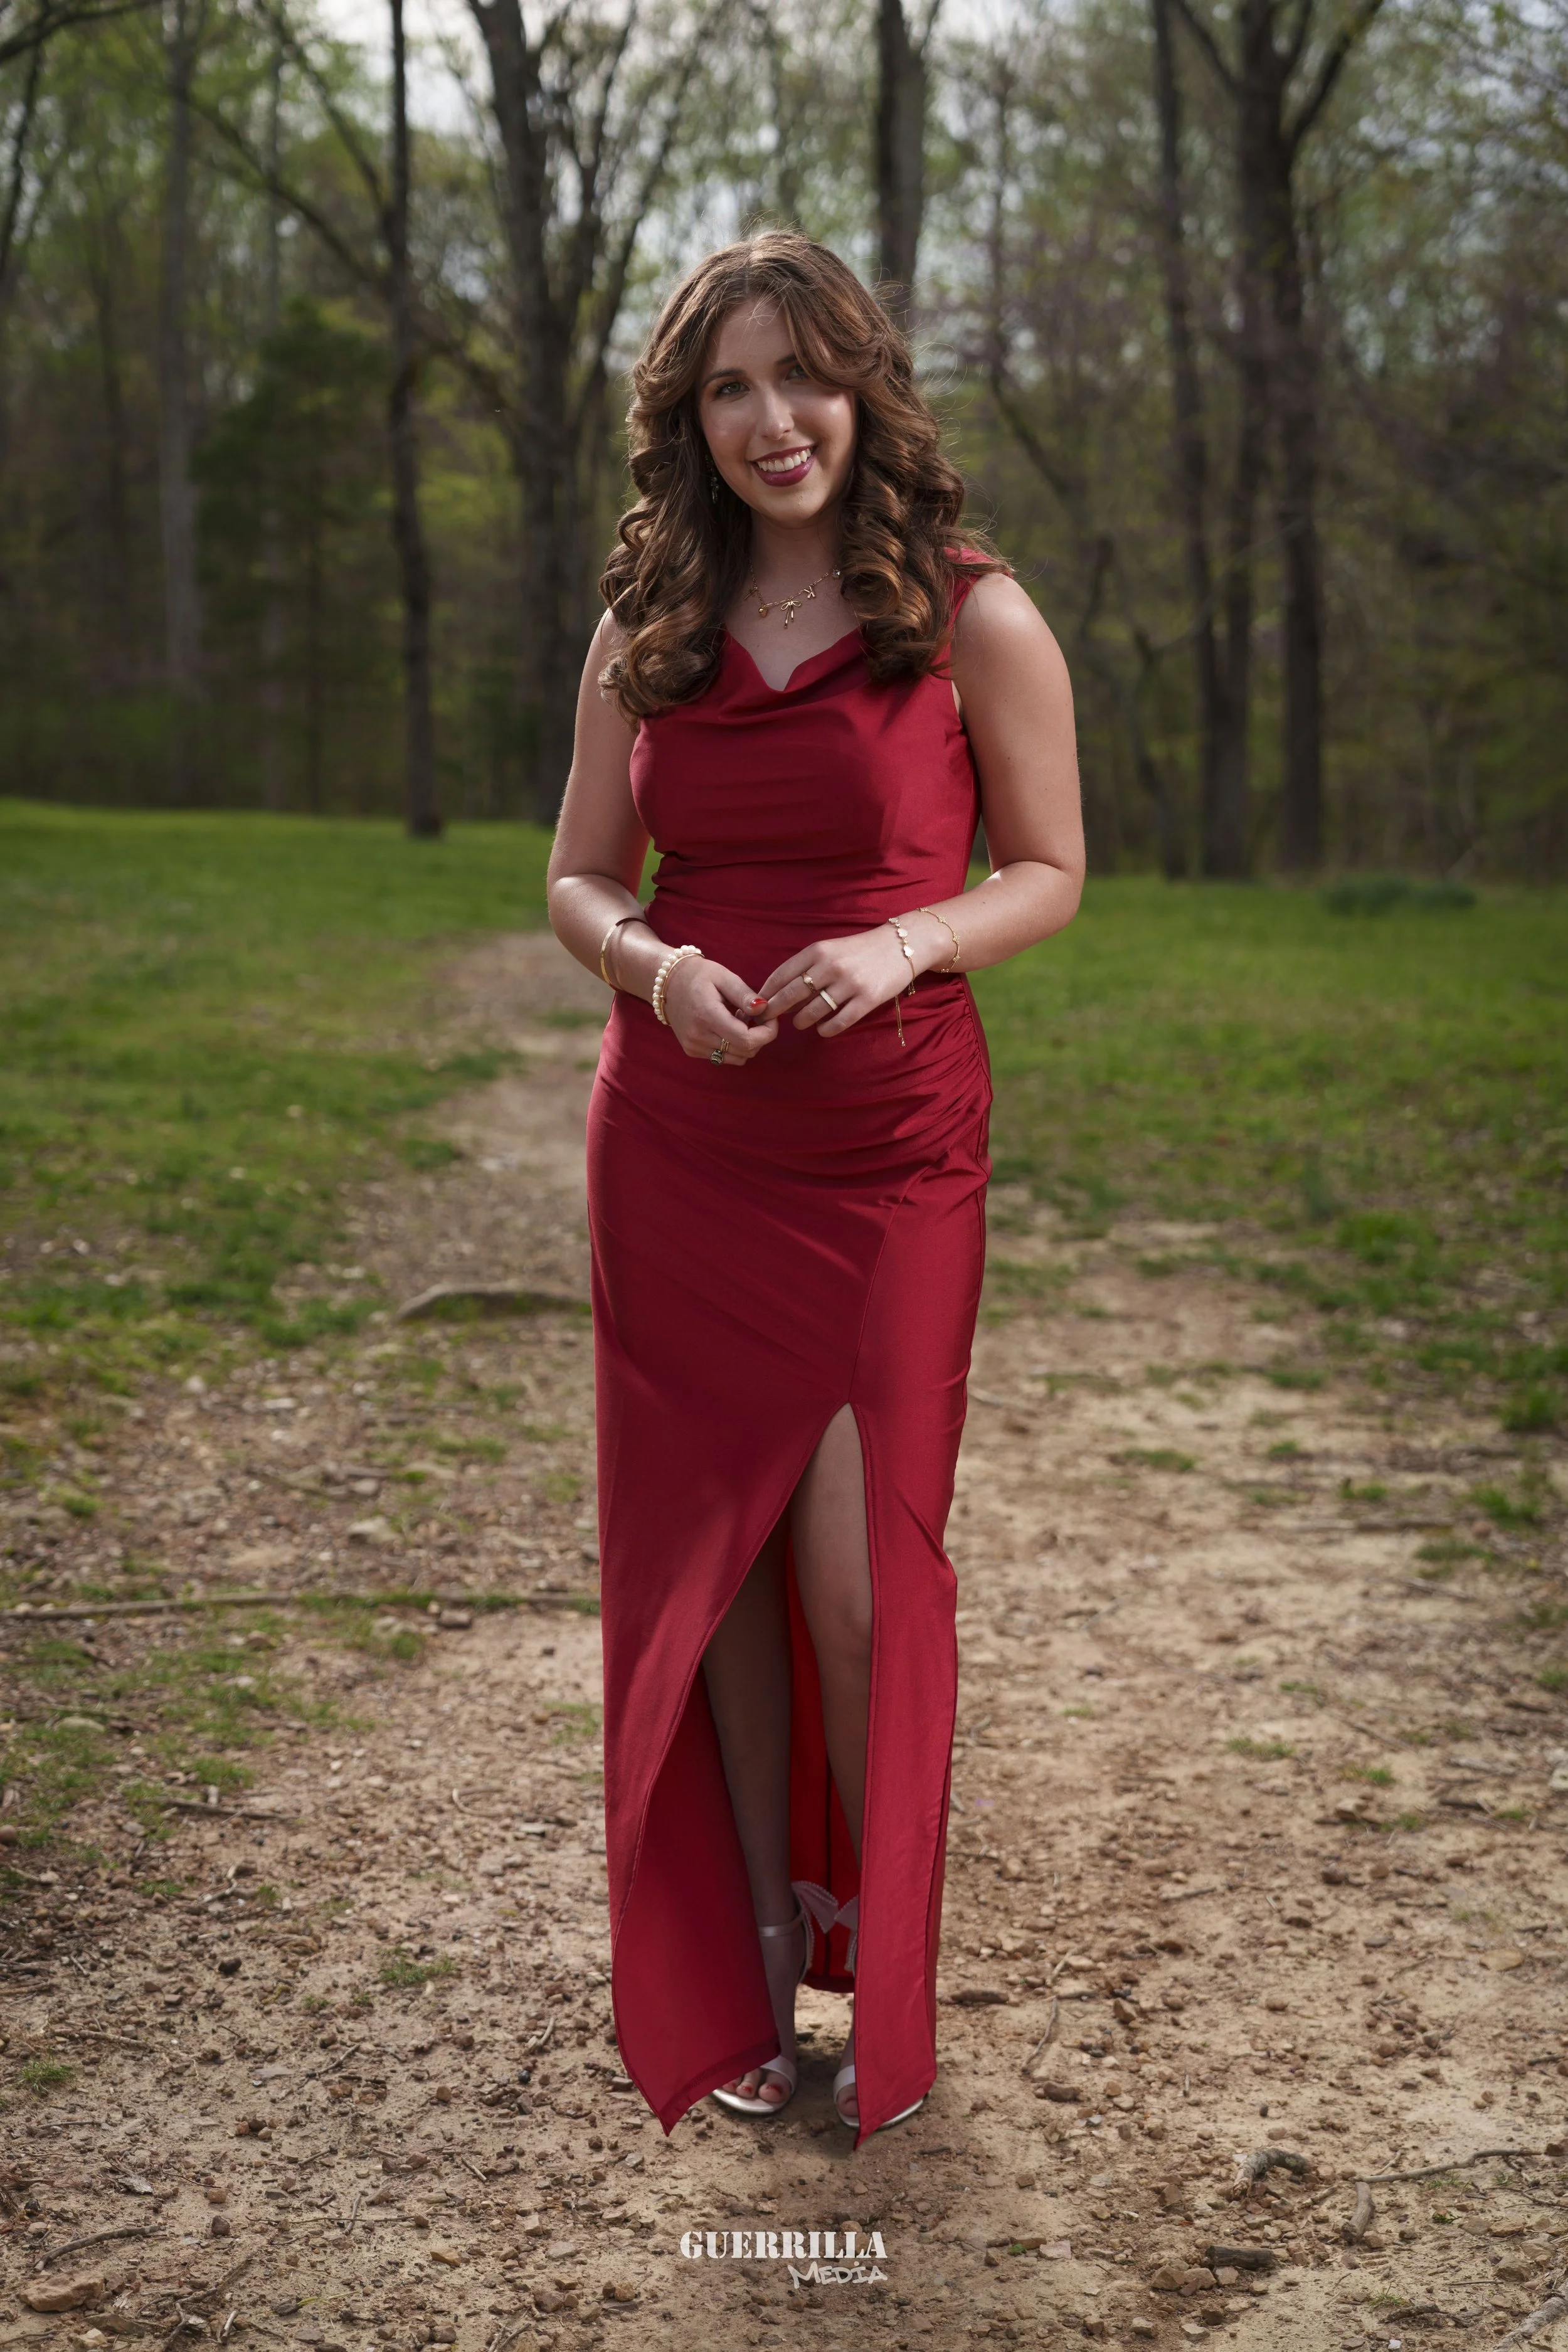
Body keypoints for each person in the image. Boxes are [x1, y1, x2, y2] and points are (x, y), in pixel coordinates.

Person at [547, 231, 1083, 2147]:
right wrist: (657, 970)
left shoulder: (964, 613)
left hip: (886, 1151)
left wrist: (908, 943)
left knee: (852, 1587)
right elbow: (578, 880)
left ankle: (879, 1960)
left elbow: (1049, 868)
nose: (773, 422)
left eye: (805, 379)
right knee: (717, 1579)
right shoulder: (648, 626)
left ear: (865, 392)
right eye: (729, 389)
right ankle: (758, 1972)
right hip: (681, 1140)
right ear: (687, 422)